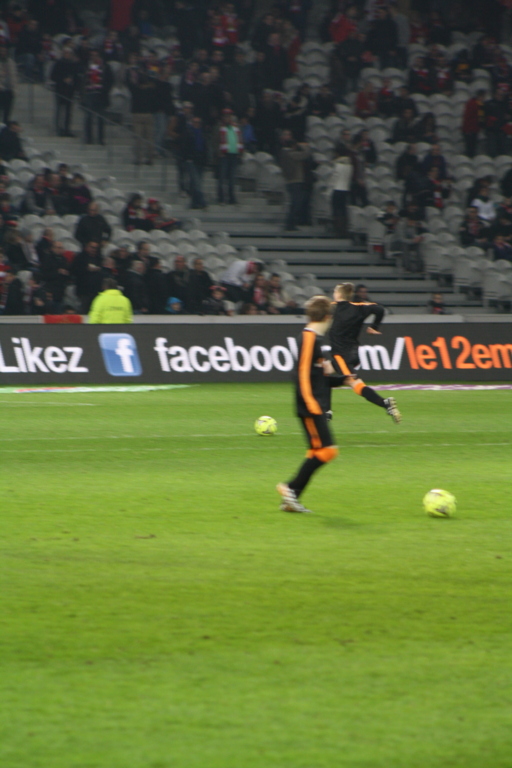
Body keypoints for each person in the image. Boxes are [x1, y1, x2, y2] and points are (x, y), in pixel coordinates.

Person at [276, 295, 338, 514]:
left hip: (312, 402)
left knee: (315, 451)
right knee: (328, 451)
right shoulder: (310, 338)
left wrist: (344, 379)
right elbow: (301, 374)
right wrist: (311, 404)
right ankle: (290, 487)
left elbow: (318, 375)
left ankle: (291, 500)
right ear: (328, 317)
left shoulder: (314, 339)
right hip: (310, 404)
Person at [327, 282, 401, 423]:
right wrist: (374, 327)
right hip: (353, 353)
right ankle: (326, 412)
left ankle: (385, 403)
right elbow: (379, 309)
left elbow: (317, 308)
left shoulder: (333, 307)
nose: (334, 294)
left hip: (341, 355)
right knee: (322, 373)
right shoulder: (359, 307)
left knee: (355, 384)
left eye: (335, 291)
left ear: (339, 294)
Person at [279, 130, 311, 231]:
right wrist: (304, 146)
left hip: (289, 181)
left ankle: (290, 224)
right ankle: (290, 224)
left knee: (294, 203)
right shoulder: (292, 154)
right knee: (296, 203)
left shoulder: (283, 153)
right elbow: (306, 154)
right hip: (295, 181)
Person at [51, 46, 79, 137]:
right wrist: (63, 79)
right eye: (65, 53)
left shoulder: (73, 64)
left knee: (68, 112)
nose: (67, 55)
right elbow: (53, 76)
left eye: (68, 53)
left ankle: (67, 129)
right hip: (60, 90)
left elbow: (76, 76)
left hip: (70, 91)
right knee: (60, 110)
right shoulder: (58, 63)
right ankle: (59, 129)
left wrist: (73, 82)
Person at [217, 109, 243, 205]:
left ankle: (232, 198)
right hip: (224, 155)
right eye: (225, 116)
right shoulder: (220, 127)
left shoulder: (236, 127)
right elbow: (215, 141)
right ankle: (221, 198)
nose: (227, 118)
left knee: (232, 178)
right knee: (222, 177)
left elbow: (240, 140)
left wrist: (240, 152)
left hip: (234, 155)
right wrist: (218, 152)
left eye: (229, 116)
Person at [330, 145, 353, 237]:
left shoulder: (337, 164)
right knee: (343, 210)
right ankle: (344, 229)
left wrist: (329, 189)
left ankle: (337, 229)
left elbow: (334, 178)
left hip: (337, 189)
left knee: (336, 209)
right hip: (345, 189)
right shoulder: (349, 165)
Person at [0, 45, 17, 123]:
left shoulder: (10, 62)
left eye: (4, 51)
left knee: (7, 113)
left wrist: (14, 89)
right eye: (1, 51)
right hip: (1, 91)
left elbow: (13, 76)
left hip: (9, 91)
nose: (3, 53)